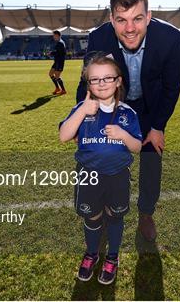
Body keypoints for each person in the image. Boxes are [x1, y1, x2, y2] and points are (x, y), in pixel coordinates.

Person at [76, 0, 180, 242]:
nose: (130, 28)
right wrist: (86, 119)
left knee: (151, 158)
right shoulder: (99, 38)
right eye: (121, 20)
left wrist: (157, 127)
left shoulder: (169, 38)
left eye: (137, 18)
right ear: (112, 19)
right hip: (114, 105)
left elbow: (172, 86)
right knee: (102, 155)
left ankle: (146, 214)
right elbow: (87, 83)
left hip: (150, 108)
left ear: (148, 16)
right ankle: (100, 210)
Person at [60, 56, 142, 285]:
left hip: (118, 176)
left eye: (108, 78)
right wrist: (82, 110)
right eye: (95, 79)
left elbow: (136, 147)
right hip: (89, 176)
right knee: (92, 215)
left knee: (115, 216)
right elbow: (64, 136)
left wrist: (123, 135)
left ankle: (112, 257)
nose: (102, 83)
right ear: (89, 85)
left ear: (118, 81)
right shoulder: (82, 109)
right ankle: (92, 253)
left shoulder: (128, 114)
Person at [49, 30, 67, 95]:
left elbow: (60, 53)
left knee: (57, 76)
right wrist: (53, 53)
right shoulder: (59, 42)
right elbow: (58, 52)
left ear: (57, 35)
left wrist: (51, 53)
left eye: (54, 35)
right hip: (57, 61)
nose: (53, 37)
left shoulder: (60, 43)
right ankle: (57, 88)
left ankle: (63, 90)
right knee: (51, 74)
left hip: (59, 62)